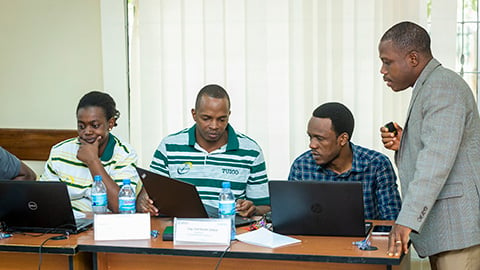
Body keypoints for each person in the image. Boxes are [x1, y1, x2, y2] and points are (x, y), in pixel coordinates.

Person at [379, 21, 480, 268]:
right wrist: (407, 143)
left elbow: (434, 163)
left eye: (387, 61)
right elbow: (442, 147)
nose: (382, 70)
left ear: (413, 58)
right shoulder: (430, 85)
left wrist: (407, 220)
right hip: (448, 232)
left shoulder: (442, 87)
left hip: (457, 230)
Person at [138, 84, 270, 217]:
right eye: (206, 118)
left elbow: (265, 206)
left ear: (229, 115)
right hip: (179, 229)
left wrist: (253, 209)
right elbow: (146, 197)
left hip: (230, 232)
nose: (214, 126)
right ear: (194, 114)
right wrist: (144, 202)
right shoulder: (169, 146)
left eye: (221, 119)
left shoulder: (251, 151)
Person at [289, 102, 401, 221]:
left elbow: (391, 221)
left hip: (366, 240)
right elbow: (292, 219)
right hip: (315, 240)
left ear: (342, 139)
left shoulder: (377, 165)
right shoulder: (301, 166)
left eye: (320, 139)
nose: (312, 145)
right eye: (310, 137)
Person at [40, 91, 142, 213]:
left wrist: (93, 161)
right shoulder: (60, 152)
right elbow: (43, 198)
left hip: (106, 226)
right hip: (67, 225)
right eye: (81, 126)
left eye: (95, 125)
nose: (87, 132)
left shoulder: (124, 155)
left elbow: (120, 207)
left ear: (110, 123)